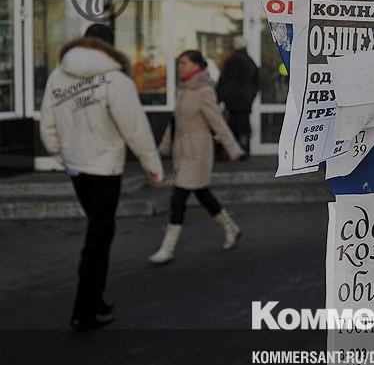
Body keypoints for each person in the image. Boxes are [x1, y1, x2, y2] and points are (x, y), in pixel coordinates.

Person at [40, 23, 163, 332]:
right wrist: (152, 165)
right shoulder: (116, 80)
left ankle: (95, 299)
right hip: (105, 169)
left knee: (99, 233)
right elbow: (134, 128)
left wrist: (61, 156)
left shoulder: (57, 76)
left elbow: (47, 124)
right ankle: (84, 312)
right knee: (98, 238)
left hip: (77, 168)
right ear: (109, 48)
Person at [150, 50, 245, 265]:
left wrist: (233, 149)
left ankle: (167, 249)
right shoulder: (184, 90)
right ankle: (231, 227)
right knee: (202, 194)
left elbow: (217, 123)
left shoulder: (204, 91)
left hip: (197, 153)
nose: (180, 67)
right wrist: (164, 147)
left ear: (196, 66)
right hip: (182, 152)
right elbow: (175, 123)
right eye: (180, 63)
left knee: (178, 198)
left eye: (184, 63)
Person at [216, 36, 260, 159]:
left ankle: (233, 152)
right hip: (245, 101)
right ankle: (243, 150)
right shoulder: (250, 61)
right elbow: (256, 82)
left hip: (234, 101)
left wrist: (220, 95)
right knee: (243, 127)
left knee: (232, 127)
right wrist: (250, 97)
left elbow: (227, 81)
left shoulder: (233, 61)